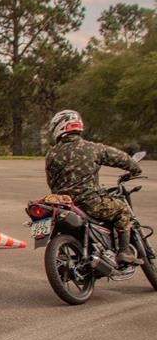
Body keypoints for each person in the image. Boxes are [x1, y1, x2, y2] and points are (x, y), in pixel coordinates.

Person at [45, 109, 143, 265]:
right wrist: (135, 168)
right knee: (122, 210)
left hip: (65, 204)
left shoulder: (51, 154)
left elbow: (52, 182)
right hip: (91, 203)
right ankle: (124, 251)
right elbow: (121, 158)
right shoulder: (93, 148)